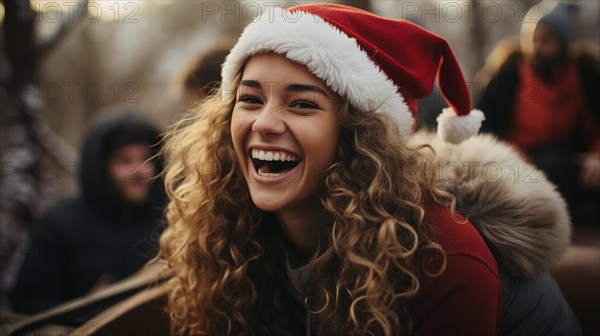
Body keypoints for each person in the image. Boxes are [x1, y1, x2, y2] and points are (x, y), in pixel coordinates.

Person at [159, 4, 579, 335]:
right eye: (249, 99)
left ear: (358, 135)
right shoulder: (224, 234)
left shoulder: (442, 259)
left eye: (302, 103)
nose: (264, 123)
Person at [10, 112, 166, 314]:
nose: (140, 170)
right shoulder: (60, 226)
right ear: (100, 167)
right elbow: (26, 303)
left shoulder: (171, 221)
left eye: (147, 158)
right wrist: (87, 308)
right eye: (125, 161)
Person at [477, 3, 600, 212]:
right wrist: (510, 155)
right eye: (532, 39)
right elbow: (483, 130)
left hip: (570, 164)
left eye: (546, 41)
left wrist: (598, 155)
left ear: (564, 45)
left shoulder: (585, 76)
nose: (536, 47)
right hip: (514, 163)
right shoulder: (507, 77)